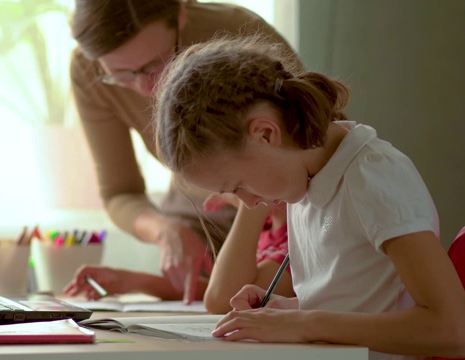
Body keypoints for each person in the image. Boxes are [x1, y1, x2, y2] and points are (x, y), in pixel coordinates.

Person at [153, 35, 465, 359]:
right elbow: (366, 303)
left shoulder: (373, 177)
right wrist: (287, 310)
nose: (247, 202)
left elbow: (452, 329)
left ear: (265, 133)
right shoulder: (307, 186)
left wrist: (305, 323)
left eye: (237, 185)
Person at [69, 0, 301, 303]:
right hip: (200, 199)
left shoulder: (236, 30)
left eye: (156, 63)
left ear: (179, 13)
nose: (145, 87)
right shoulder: (87, 70)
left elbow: (315, 130)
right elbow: (119, 192)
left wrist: (252, 198)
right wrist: (164, 231)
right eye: (120, 74)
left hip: (277, 200)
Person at [63, 194, 294, 313]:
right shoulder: (267, 230)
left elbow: (222, 299)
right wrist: (131, 280)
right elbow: (230, 293)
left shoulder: (297, 241)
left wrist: (251, 205)